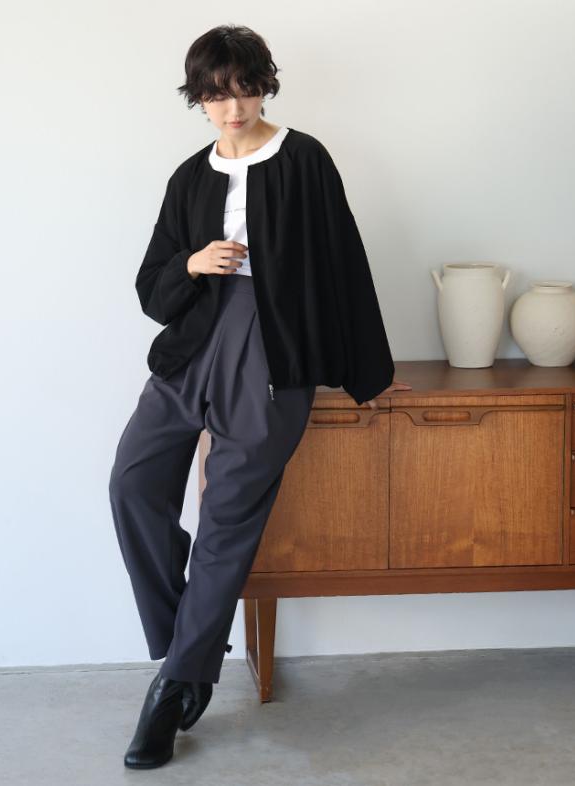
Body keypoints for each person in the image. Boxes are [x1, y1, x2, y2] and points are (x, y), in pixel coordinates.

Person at [108, 23, 412, 770]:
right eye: (216, 95)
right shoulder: (190, 176)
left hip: (272, 357)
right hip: (192, 349)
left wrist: (368, 374)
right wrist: (193, 262)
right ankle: (189, 644)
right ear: (199, 99)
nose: (232, 107)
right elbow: (151, 287)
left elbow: (344, 261)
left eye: (244, 90)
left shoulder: (305, 159)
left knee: (226, 519)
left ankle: (173, 689)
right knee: (132, 484)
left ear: (264, 87)